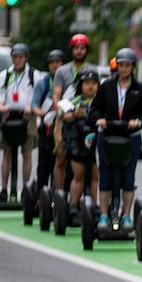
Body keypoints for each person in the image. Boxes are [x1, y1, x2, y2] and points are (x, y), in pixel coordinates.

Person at [87, 48, 142, 230]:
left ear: (133, 67)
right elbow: (94, 110)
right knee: (105, 175)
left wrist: (137, 122)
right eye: (121, 66)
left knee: (128, 178)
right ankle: (104, 215)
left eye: (127, 66)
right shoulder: (106, 86)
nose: (124, 69)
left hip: (130, 138)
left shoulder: (140, 89)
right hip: (107, 136)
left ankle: (126, 216)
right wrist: (99, 120)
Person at [0, 42, 39, 202]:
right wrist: (1, 107)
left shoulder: (34, 75)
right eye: (15, 57)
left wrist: (32, 108)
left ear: (26, 58)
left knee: (26, 153)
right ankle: (5, 189)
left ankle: (25, 189)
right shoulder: (5, 75)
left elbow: (37, 96)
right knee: (7, 153)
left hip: (27, 117)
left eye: (20, 57)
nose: (17, 60)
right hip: (9, 115)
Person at [52, 33, 93, 192]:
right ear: (72, 50)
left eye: (82, 48)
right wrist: (66, 113)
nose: (79, 51)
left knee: (85, 158)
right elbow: (57, 96)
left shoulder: (91, 69)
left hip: (85, 119)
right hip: (65, 118)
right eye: (76, 48)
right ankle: (59, 194)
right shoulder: (62, 71)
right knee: (61, 158)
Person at [61, 68, 100, 224]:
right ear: (81, 85)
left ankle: (95, 206)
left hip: (95, 144)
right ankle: (73, 205)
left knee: (95, 177)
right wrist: (74, 115)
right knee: (79, 176)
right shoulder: (74, 101)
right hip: (77, 144)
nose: (90, 87)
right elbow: (64, 116)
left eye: (93, 83)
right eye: (87, 83)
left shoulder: (100, 102)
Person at [31, 49, 65, 190]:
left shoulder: (67, 82)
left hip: (62, 127)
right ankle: (41, 197)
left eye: (58, 62)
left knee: (59, 163)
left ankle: (57, 195)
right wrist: (44, 114)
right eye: (52, 63)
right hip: (46, 128)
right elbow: (34, 105)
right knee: (44, 164)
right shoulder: (43, 83)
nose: (55, 66)